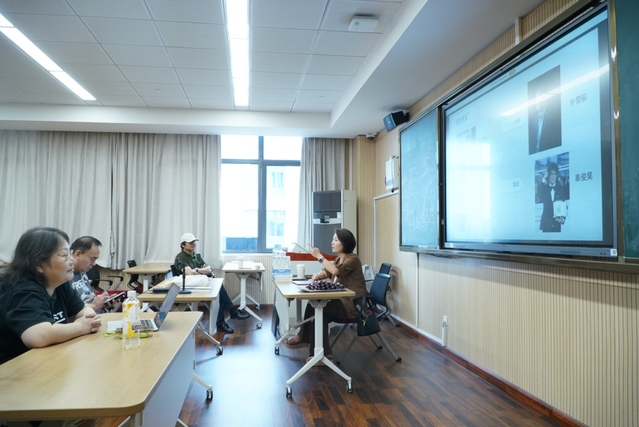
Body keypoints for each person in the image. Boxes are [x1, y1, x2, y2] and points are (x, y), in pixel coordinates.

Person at [0, 227, 102, 364]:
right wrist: (82, 327)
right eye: (64, 255)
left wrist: (89, 320)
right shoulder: (23, 290)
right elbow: (38, 336)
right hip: (14, 368)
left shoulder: (59, 283)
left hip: (47, 359)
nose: (72, 260)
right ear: (39, 263)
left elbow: (83, 309)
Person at [284, 229, 367, 361]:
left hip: (352, 305)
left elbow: (335, 271)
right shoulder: (339, 259)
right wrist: (319, 275)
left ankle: (318, 351)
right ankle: (316, 349)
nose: (332, 242)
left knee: (318, 311)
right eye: (333, 239)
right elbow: (328, 271)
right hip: (341, 300)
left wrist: (318, 256)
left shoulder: (353, 259)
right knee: (314, 306)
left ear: (345, 243)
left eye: (336, 240)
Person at [175, 233, 249, 334]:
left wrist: (197, 270)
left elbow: (209, 269)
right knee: (217, 290)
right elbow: (190, 273)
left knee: (218, 288)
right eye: (190, 242)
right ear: (183, 245)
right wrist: (202, 271)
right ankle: (230, 312)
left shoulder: (197, 256)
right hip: (191, 287)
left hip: (202, 283)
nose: (193, 244)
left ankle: (224, 320)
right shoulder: (180, 257)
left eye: (194, 242)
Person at [70, 236, 118, 313]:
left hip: (94, 314)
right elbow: (70, 312)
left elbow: (89, 300)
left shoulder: (82, 270)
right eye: (92, 259)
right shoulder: (63, 277)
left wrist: (102, 303)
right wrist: (94, 306)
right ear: (78, 254)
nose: (94, 263)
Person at [528, 69, 562, 154]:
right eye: (536, 100)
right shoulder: (534, 121)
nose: (536, 103)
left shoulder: (554, 117)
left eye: (539, 99)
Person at [538, 162, 568, 232]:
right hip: (546, 223)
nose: (553, 176)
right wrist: (543, 178)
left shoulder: (560, 188)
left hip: (557, 223)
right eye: (551, 174)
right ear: (548, 175)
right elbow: (539, 194)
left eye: (554, 174)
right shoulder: (544, 188)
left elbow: (564, 205)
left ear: (556, 175)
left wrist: (563, 219)